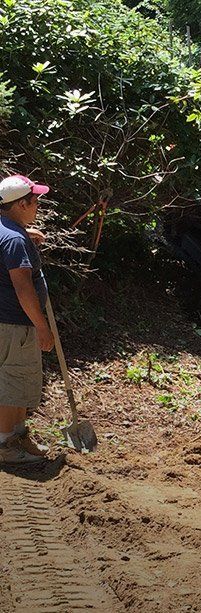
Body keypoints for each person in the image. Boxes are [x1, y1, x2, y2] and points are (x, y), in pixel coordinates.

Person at [0, 174, 54, 464]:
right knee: (12, 382)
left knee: (17, 381)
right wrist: (42, 327)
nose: (37, 207)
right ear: (21, 204)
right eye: (34, 202)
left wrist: (24, 232)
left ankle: (17, 437)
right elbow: (23, 287)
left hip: (7, 323)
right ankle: (6, 445)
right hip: (15, 323)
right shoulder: (13, 241)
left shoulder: (7, 231)